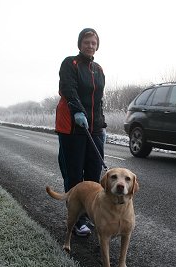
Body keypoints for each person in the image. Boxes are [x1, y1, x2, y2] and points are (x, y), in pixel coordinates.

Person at [55, 28, 106, 236]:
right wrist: (78, 111)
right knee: (75, 174)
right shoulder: (70, 63)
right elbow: (68, 88)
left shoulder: (99, 69)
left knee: (94, 174)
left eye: (93, 43)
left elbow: (98, 100)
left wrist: (101, 125)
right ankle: (76, 219)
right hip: (72, 128)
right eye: (87, 42)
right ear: (80, 44)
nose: (90, 46)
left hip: (93, 128)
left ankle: (90, 215)